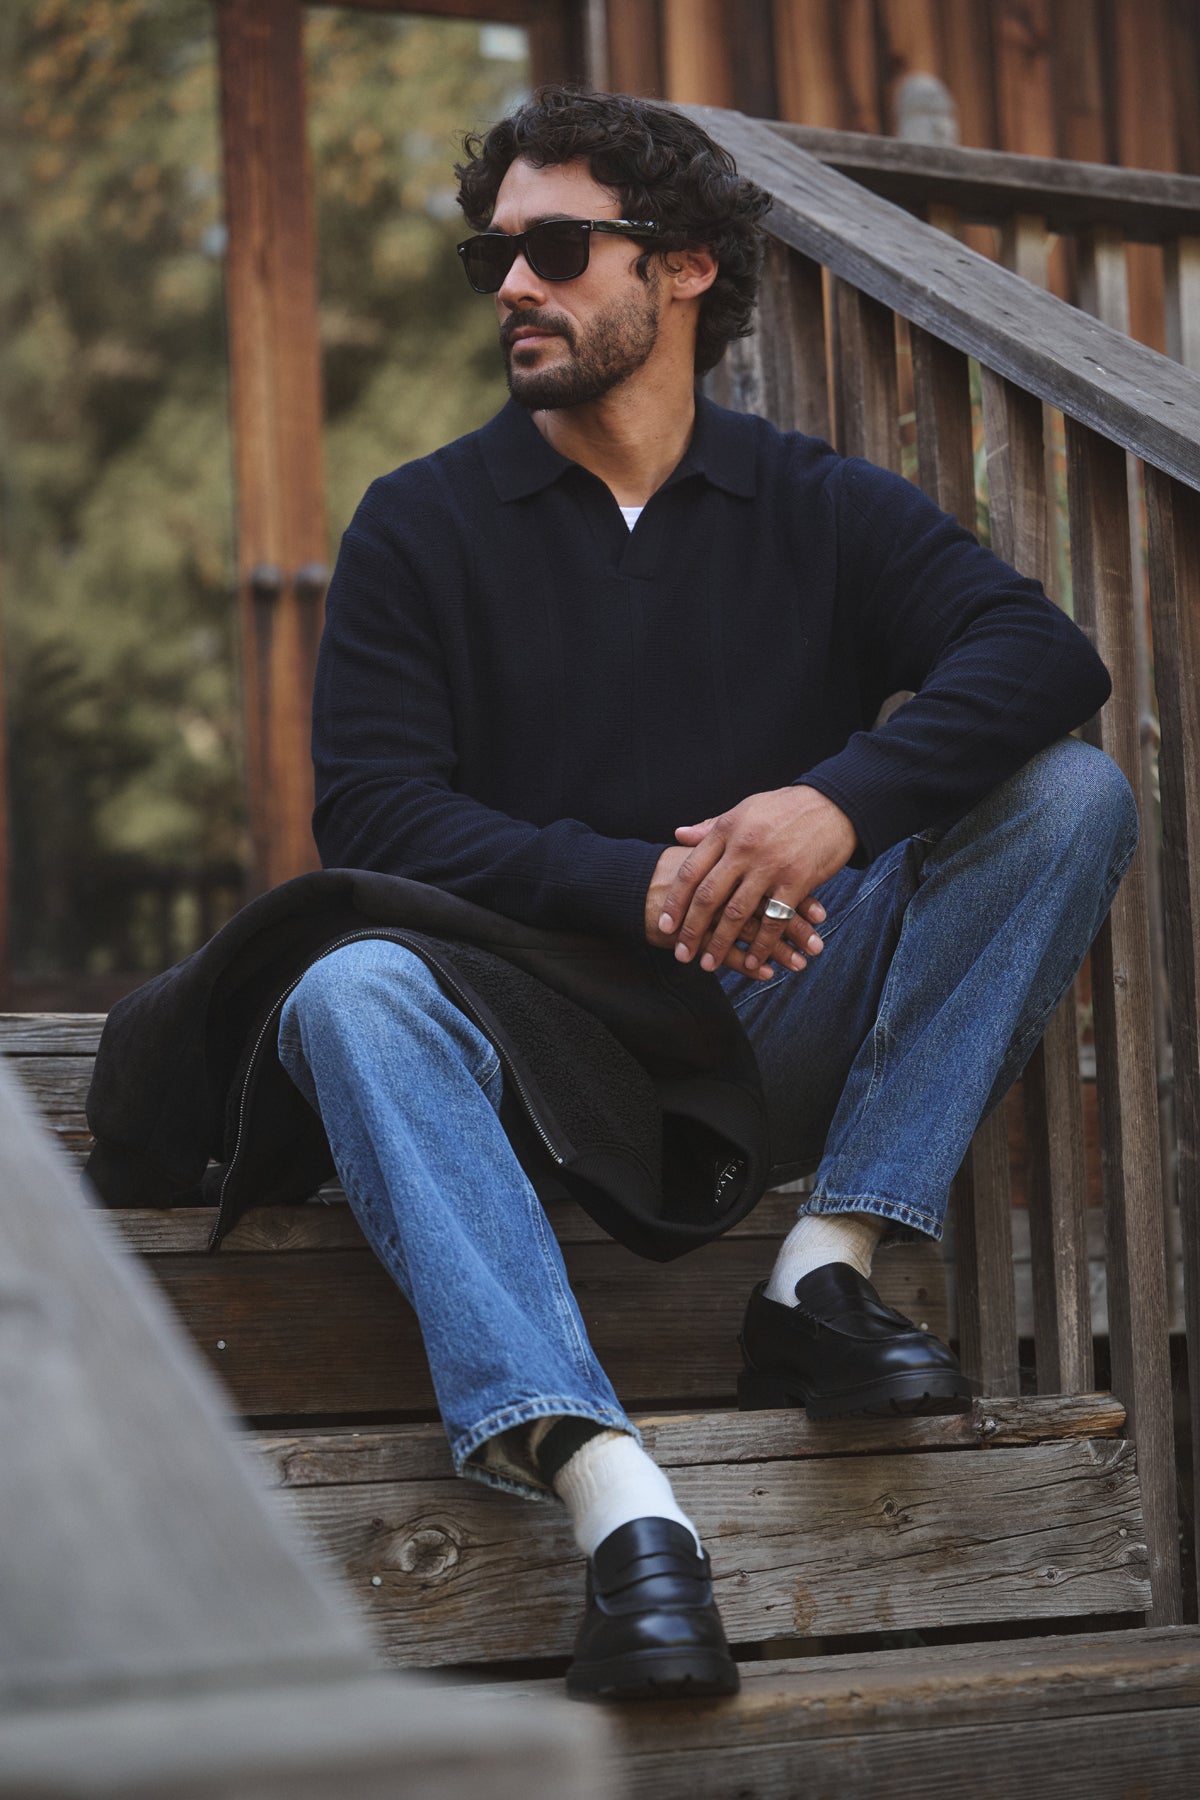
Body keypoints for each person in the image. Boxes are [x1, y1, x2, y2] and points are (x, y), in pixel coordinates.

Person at [277, 86, 1136, 1701]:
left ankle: (825, 1265)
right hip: (531, 1040)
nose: (514, 286)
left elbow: (1047, 658)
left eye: (551, 246)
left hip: (769, 1021)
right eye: (495, 256)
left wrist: (831, 807)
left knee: (1069, 792)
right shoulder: (421, 523)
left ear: (678, 270)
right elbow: (374, 815)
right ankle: (620, 1504)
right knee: (347, 987)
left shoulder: (811, 503)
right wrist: (649, 882)